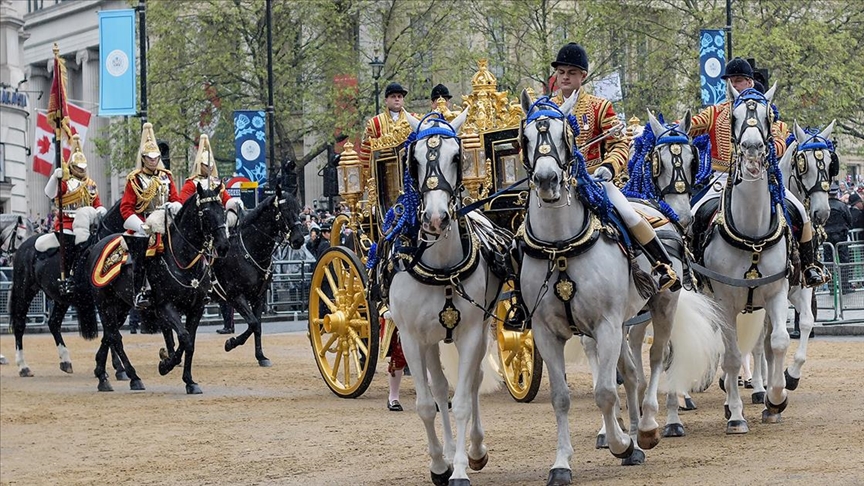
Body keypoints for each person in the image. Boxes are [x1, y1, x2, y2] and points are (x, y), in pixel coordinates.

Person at [505, 42, 679, 329]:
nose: (565, 78)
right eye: (561, 72)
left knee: (631, 214)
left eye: (571, 73)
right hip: (552, 187)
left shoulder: (600, 106)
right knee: (519, 236)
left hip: (595, 184)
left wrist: (608, 168)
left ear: (582, 76)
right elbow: (526, 149)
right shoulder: (542, 109)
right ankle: (523, 302)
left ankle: (661, 267)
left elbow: (619, 144)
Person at [688, 57, 827, 287]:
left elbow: (781, 139)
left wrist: (769, 146)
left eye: (739, 80)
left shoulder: (766, 111)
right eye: (730, 81)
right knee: (693, 216)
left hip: (764, 179)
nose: (734, 85)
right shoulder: (715, 112)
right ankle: (692, 271)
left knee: (801, 212)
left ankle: (809, 266)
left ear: (750, 82)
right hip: (723, 179)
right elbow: (690, 126)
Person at [120, 122, 181, 309]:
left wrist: (174, 205)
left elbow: (176, 198)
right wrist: (140, 226)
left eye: (156, 157)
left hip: (167, 221)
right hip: (145, 224)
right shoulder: (135, 179)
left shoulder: (166, 176)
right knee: (141, 255)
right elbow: (126, 208)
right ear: (144, 158)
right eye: (150, 157)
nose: (153, 161)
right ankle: (140, 291)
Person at [357, 82, 412, 171]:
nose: (397, 99)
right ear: (386, 100)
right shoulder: (374, 123)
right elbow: (366, 154)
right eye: (393, 96)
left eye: (399, 96)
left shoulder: (414, 119)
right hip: (384, 172)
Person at [825, 182, 852, 292]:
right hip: (841, 236)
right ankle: (845, 287)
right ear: (836, 193)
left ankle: (831, 288)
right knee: (844, 262)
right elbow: (849, 220)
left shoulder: (825, 206)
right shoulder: (842, 206)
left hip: (827, 237)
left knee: (829, 262)